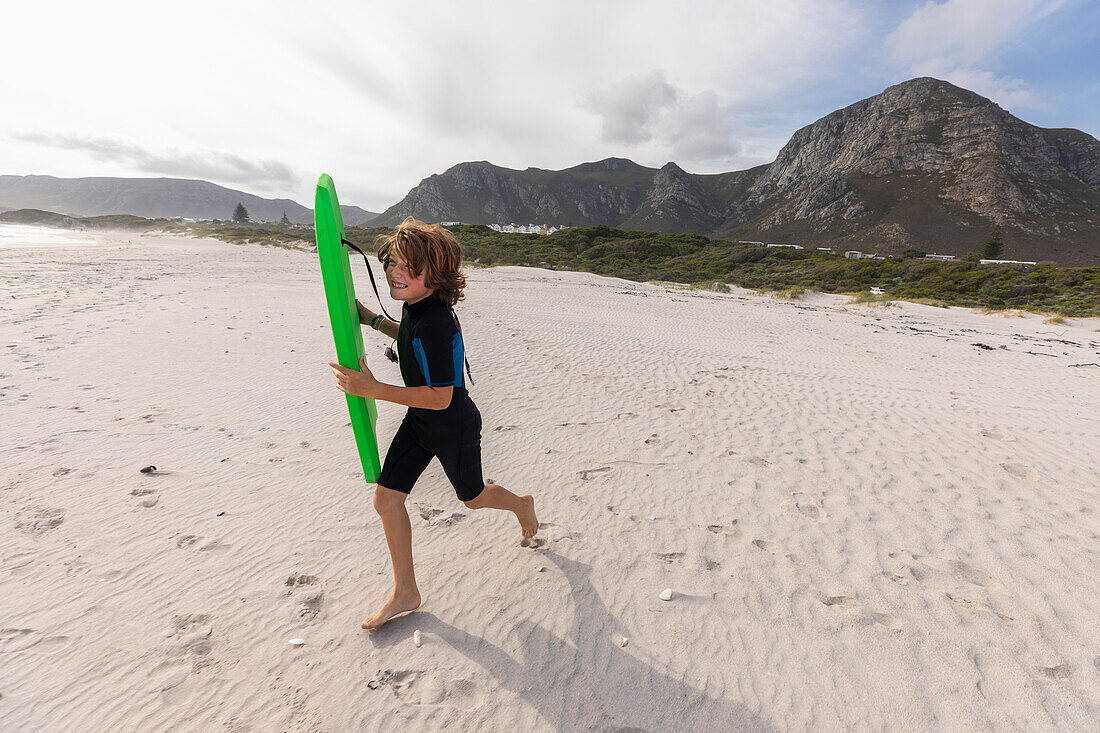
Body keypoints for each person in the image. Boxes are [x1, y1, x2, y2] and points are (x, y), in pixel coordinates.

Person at [328, 217, 539, 630]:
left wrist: (373, 389)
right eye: (394, 263)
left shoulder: (439, 321)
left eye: (411, 268)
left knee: (473, 498)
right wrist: (372, 320)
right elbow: (409, 337)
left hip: (451, 424)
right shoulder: (416, 308)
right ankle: (406, 591)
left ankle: (521, 504)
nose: (396, 273)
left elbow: (441, 396)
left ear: (436, 276)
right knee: (387, 500)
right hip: (420, 421)